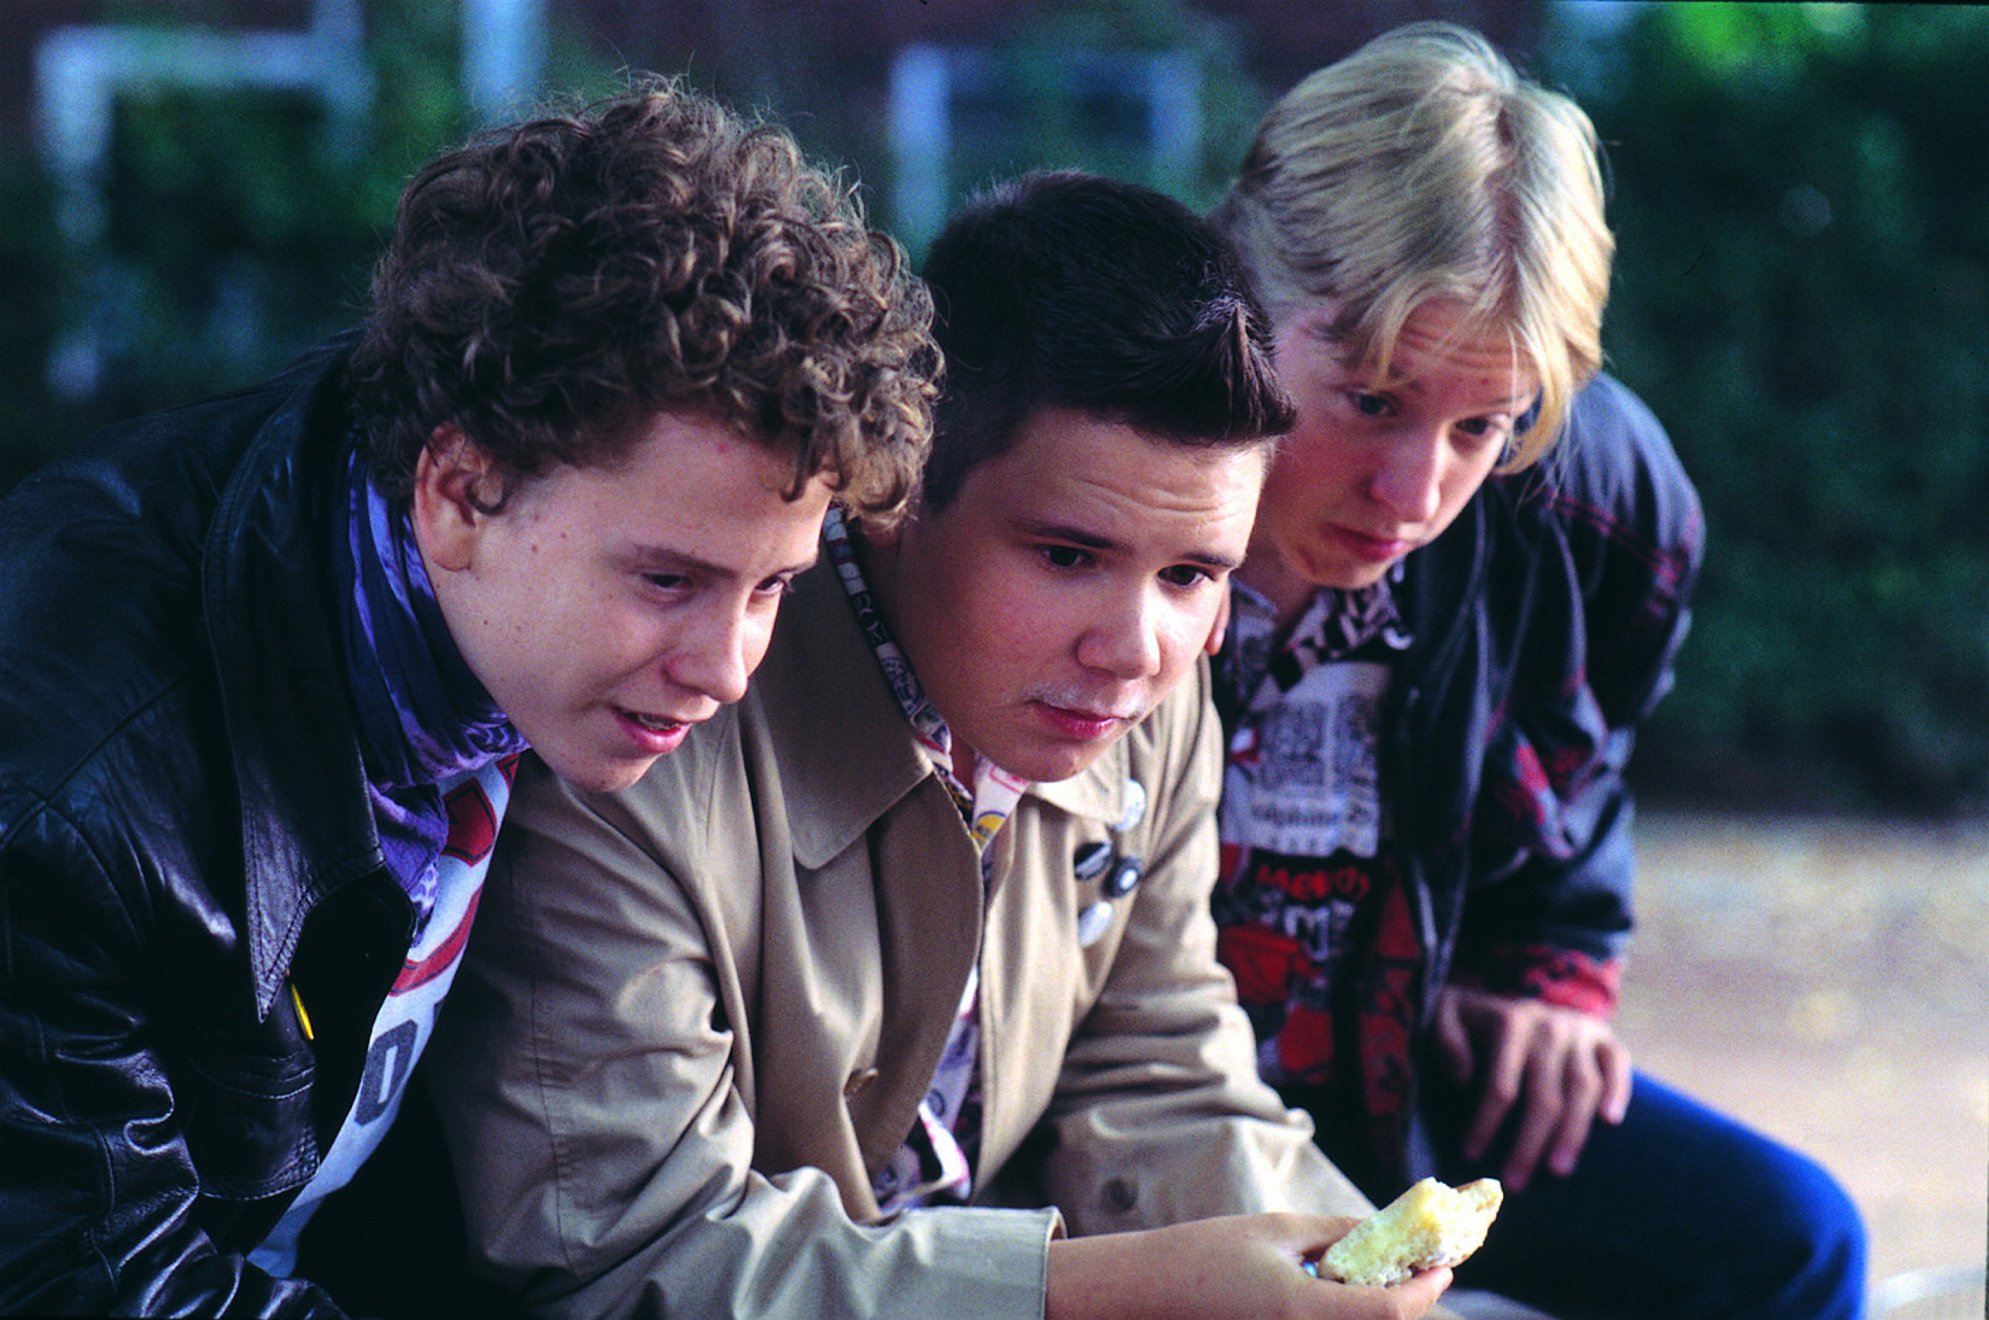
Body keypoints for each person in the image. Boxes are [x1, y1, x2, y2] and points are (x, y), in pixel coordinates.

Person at [424, 170, 1456, 1320]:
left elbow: (1160, 1071)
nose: (1134, 649)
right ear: (892, 494)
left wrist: (1355, 1275)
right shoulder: (641, 731)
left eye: (1189, 575)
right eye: (1067, 556)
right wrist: (1078, 1296)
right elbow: (625, 1264)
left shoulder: (1152, 705)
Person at [0, 81, 935, 1316]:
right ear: (456, 492)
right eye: (668, 581)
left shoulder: (472, 596)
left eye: (773, 589)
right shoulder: (71, 796)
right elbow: (100, 1290)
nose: (725, 669)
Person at [1206, 21, 1869, 1319]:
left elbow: (1587, 728)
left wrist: (1544, 954)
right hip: (1134, 1100)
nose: (1415, 493)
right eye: (1373, 400)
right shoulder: (1092, 471)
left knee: (1793, 1245)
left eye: (1484, 425)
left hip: (1394, 1062)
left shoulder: (1589, 505)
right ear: (1236, 299)